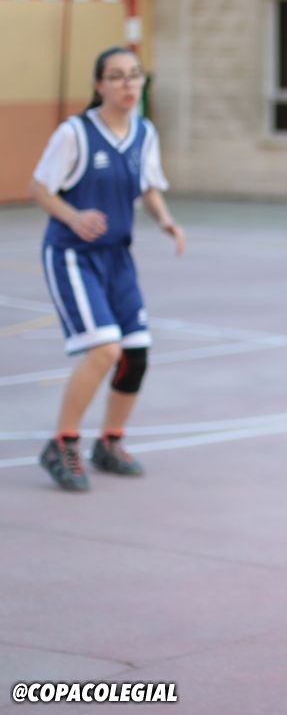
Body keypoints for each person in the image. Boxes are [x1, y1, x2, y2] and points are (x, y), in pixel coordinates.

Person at [30, 46, 185, 492]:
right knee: (104, 351)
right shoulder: (75, 133)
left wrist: (166, 220)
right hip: (72, 255)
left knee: (136, 355)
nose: (127, 83)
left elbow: (149, 186)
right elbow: (39, 188)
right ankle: (62, 444)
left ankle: (110, 443)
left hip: (118, 257)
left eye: (134, 75)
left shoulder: (144, 133)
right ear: (99, 85)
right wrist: (73, 216)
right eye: (116, 76)